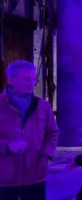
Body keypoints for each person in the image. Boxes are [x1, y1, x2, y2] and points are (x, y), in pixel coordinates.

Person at [0, 60, 59, 200]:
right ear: (11, 79)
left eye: (33, 79)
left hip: (35, 175)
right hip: (4, 177)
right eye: (26, 79)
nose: (32, 83)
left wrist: (46, 155)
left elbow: (53, 133)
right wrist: (7, 146)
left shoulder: (43, 106)